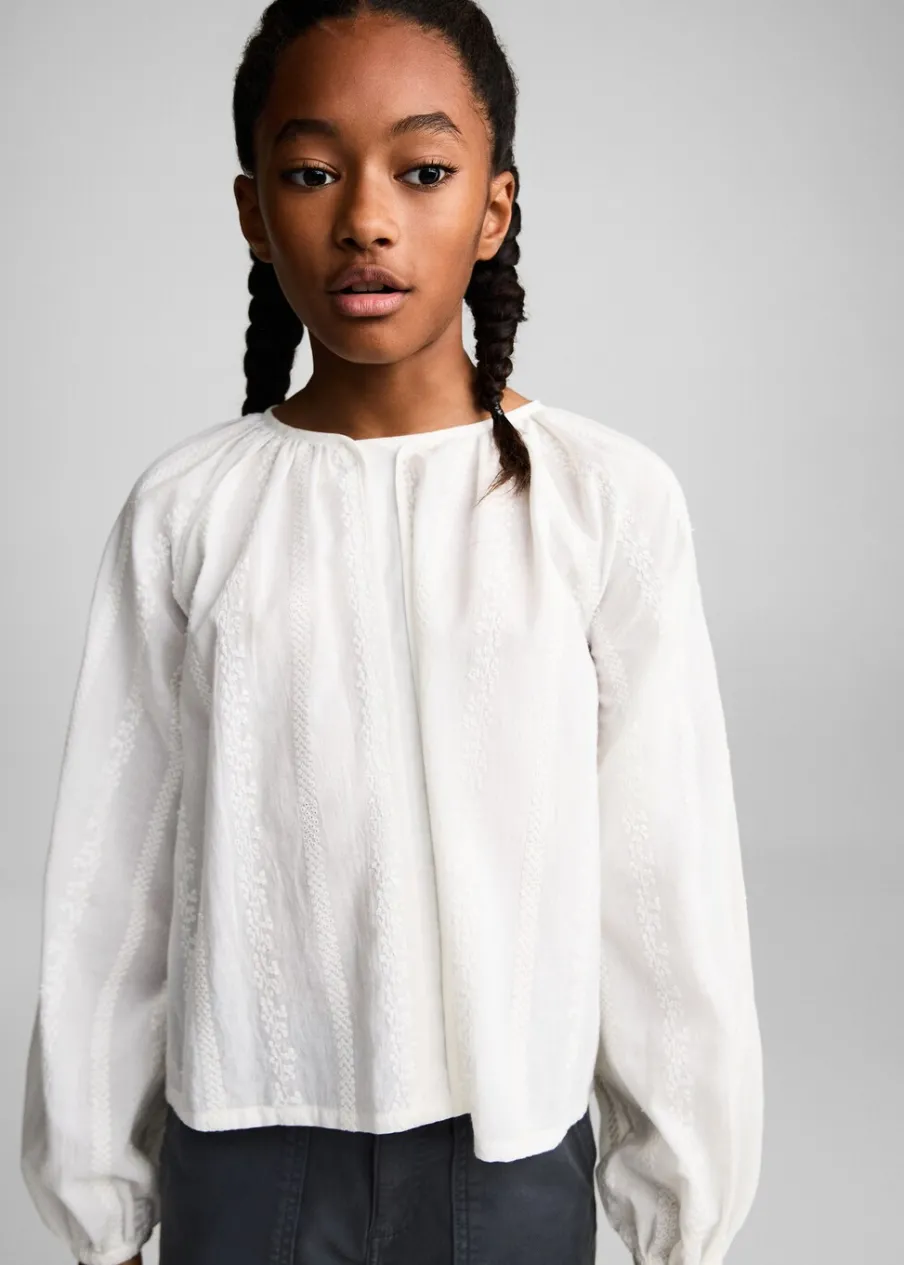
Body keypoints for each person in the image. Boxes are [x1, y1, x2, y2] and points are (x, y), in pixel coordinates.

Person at [19, 3, 764, 1264]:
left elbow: (661, 874)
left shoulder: (601, 501)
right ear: (254, 211)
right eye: (314, 173)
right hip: (242, 1154)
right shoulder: (190, 512)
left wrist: (677, 1202)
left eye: (422, 172)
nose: (366, 218)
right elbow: (115, 880)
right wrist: (99, 1195)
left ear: (494, 206)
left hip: (506, 1155)